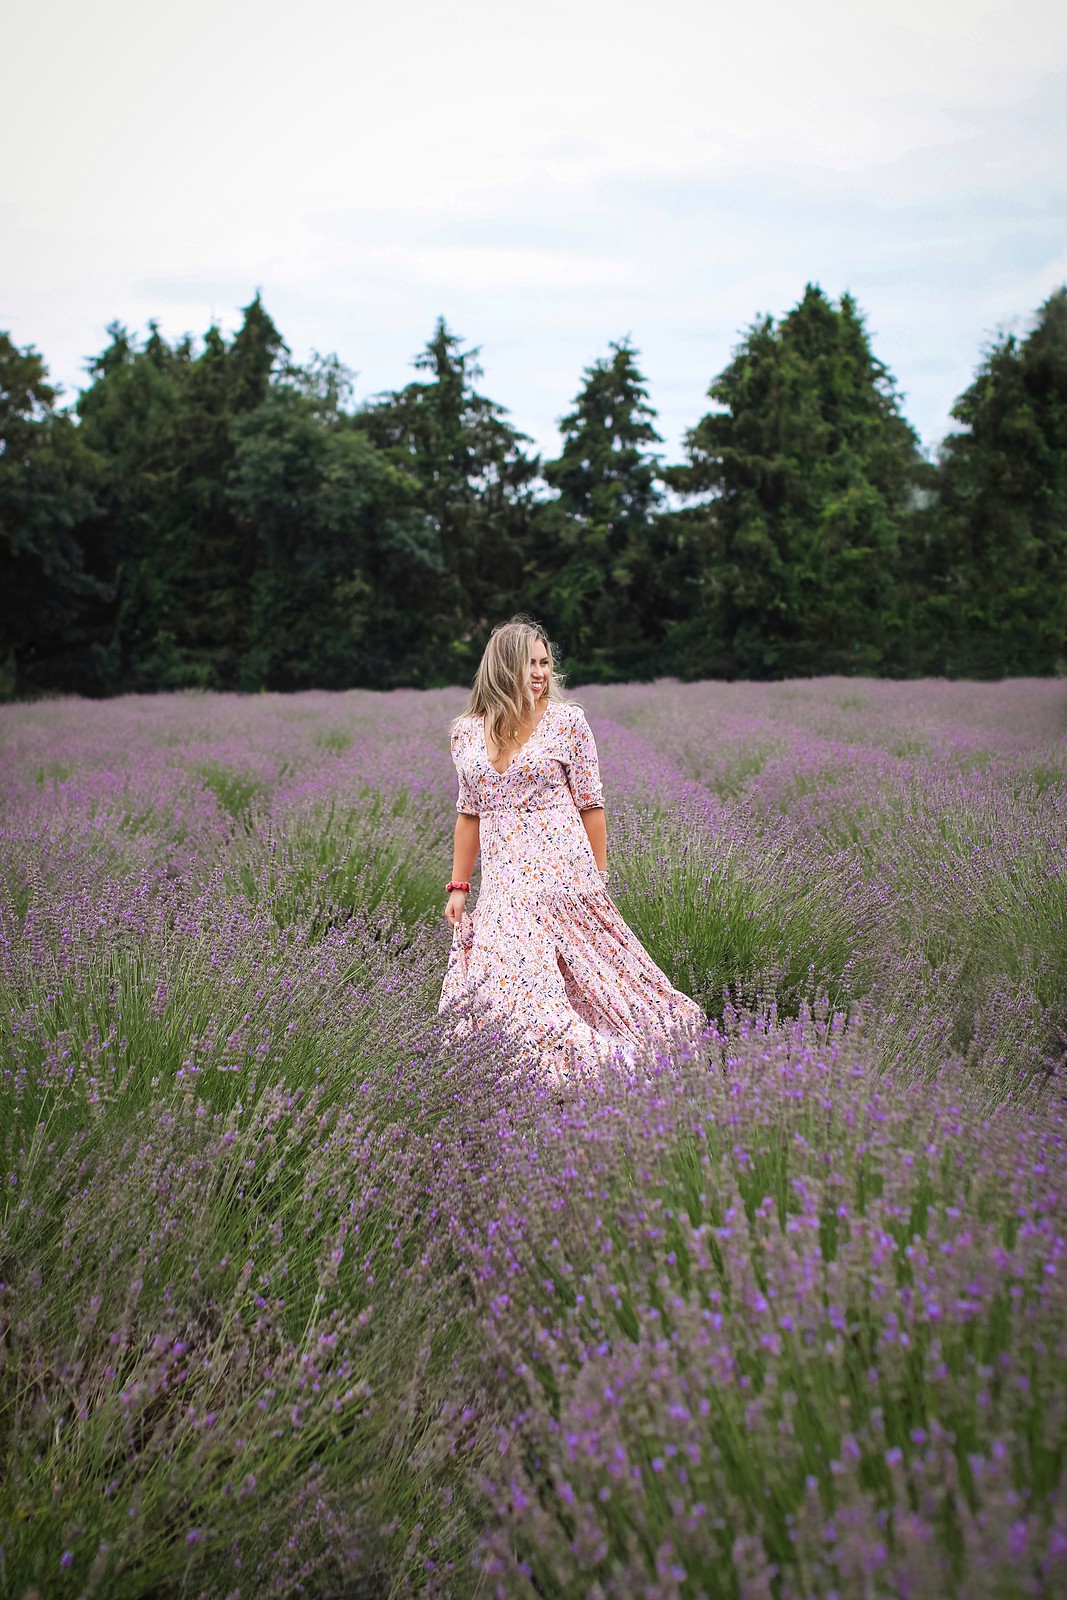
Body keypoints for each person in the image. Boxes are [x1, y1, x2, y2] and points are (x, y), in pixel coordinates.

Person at [439, 616, 705, 1082]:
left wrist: (597, 878)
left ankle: (598, 1064)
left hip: (564, 877)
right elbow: (469, 813)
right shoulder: (466, 732)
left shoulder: (567, 722)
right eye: (530, 664)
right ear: (503, 669)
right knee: (511, 982)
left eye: (545, 663)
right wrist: (460, 885)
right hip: (504, 885)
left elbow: (591, 804)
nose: (541, 673)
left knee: (596, 979)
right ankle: (530, 1069)